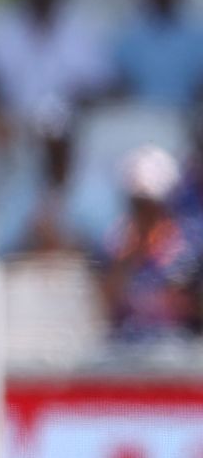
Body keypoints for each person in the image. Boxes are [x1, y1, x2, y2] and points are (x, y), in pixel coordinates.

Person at [97, 146, 200, 342]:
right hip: (124, 346)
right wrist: (129, 257)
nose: (144, 213)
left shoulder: (188, 243)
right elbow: (104, 303)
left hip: (176, 347)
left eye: (149, 205)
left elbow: (192, 306)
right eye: (137, 204)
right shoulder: (116, 240)